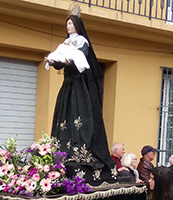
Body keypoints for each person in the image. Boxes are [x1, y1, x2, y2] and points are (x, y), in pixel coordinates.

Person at [45, 4, 117, 186]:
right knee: (64, 116)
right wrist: (53, 61)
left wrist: (68, 61)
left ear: (77, 24)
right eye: (67, 24)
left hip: (78, 85)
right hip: (67, 85)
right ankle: (61, 149)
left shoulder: (82, 42)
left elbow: (80, 61)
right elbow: (61, 64)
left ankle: (80, 148)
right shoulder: (64, 44)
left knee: (79, 116)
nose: (68, 26)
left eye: (70, 23)